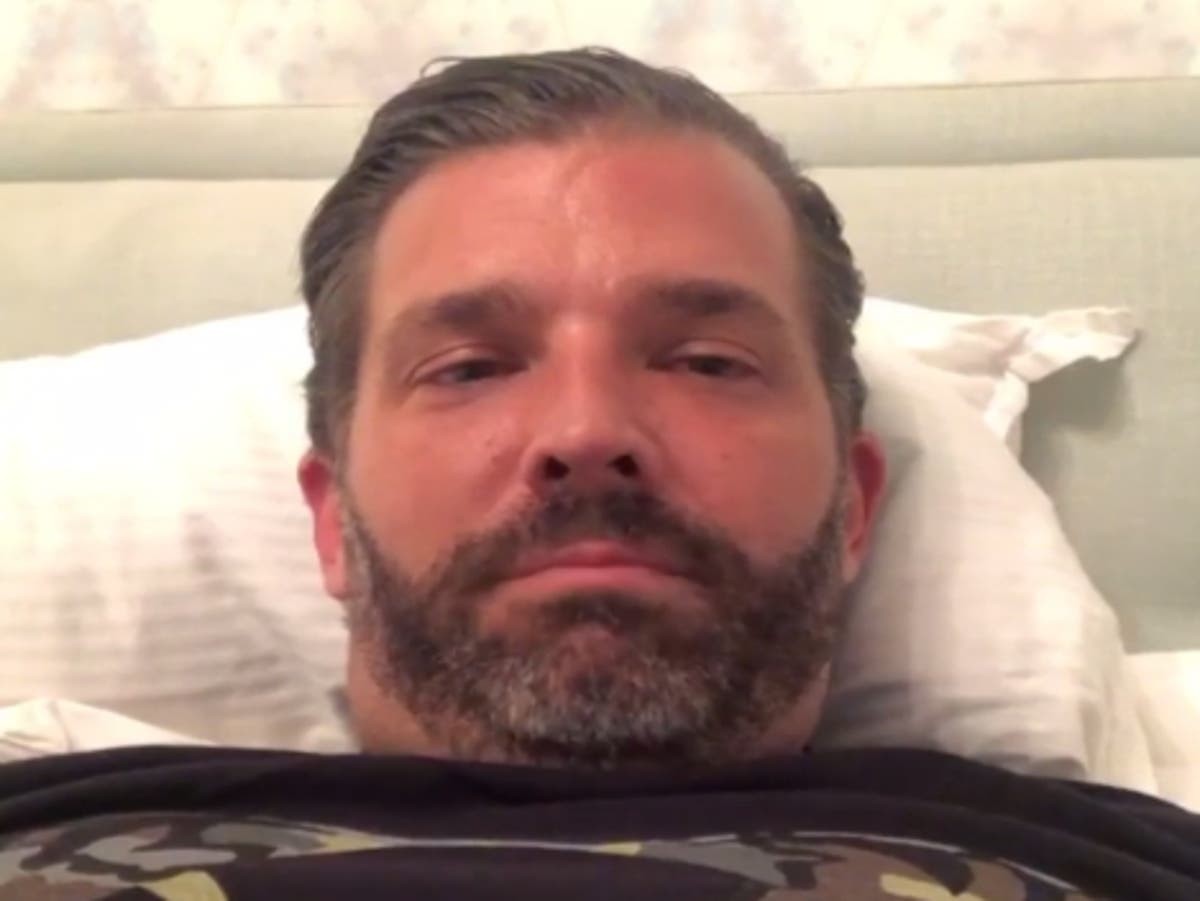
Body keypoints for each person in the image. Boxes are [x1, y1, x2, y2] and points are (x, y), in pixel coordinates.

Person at [0, 49, 1195, 901]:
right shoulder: (54, 822)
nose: (585, 429)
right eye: (471, 367)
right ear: (331, 525)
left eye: (706, 360)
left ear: (853, 510)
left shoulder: (1116, 864)